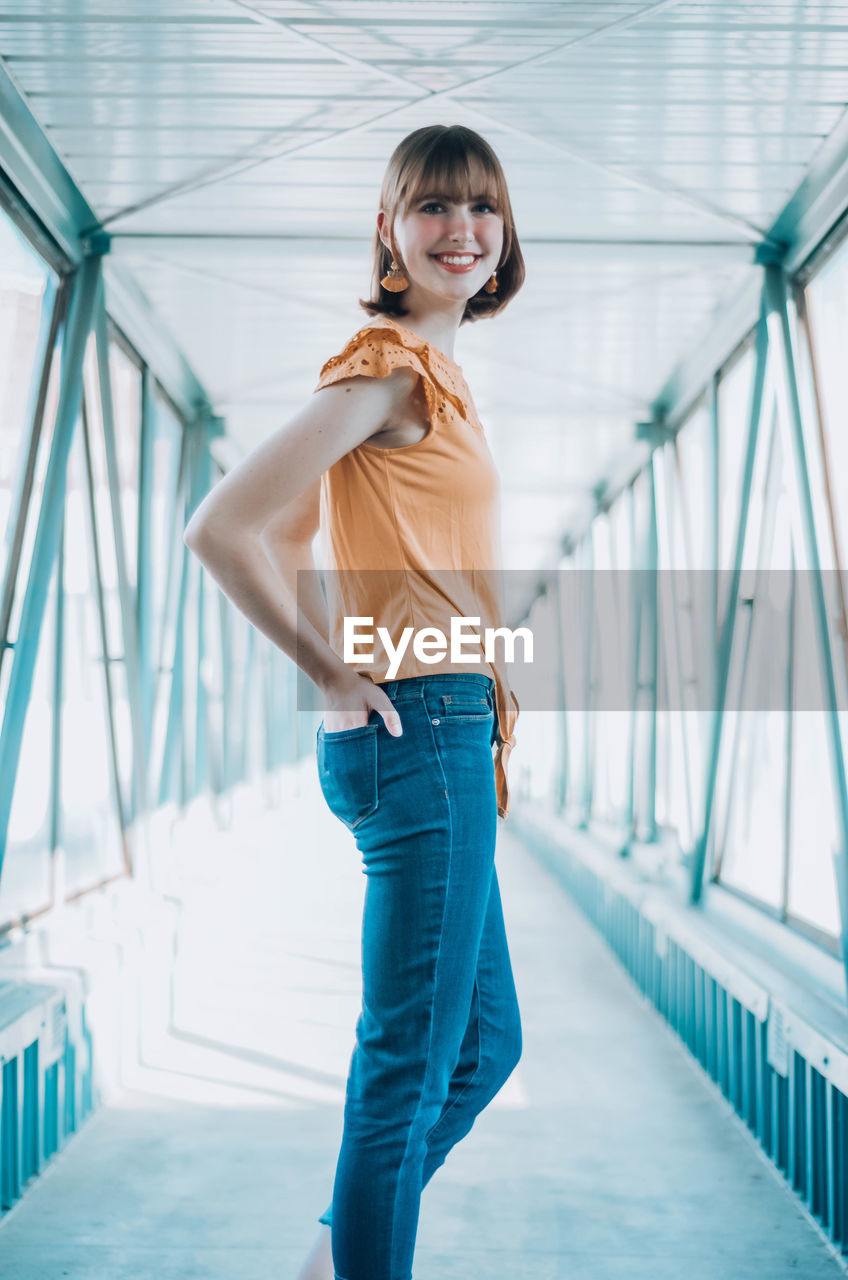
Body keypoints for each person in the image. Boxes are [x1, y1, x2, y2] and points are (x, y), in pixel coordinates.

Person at [184, 123, 525, 1280]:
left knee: (481, 1045)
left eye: (479, 208)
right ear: (388, 227)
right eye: (432, 207)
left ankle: (342, 1243)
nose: (460, 230)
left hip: (448, 729)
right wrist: (328, 670)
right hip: (421, 731)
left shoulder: (435, 372)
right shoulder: (384, 367)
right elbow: (224, 527)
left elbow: (291, 531)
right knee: (407, 1065)